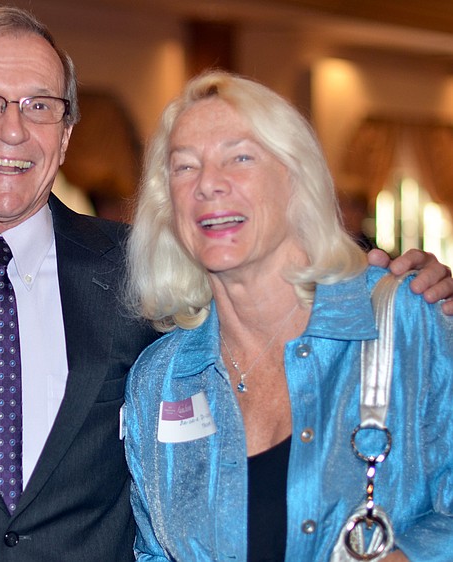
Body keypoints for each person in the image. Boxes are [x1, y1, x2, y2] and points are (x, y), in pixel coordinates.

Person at [0, 7, 453, 562]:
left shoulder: (145, 275)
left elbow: (268, 263)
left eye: (40, 106)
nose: (12, 128)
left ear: (64, 137)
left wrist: (391, 275)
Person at [123, 71, 453, 561]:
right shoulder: (161, 380)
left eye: (240, 157)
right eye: (185, 167)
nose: (209, 184)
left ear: (296, 179)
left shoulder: (403, 323)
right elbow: (152, 551)